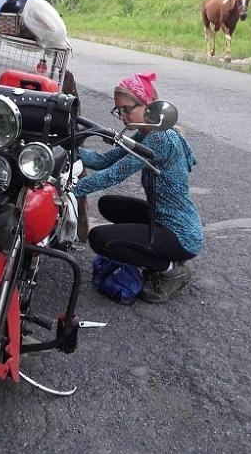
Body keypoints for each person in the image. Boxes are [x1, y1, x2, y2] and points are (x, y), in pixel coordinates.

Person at [73, 72, 203, 304]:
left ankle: (170, 267)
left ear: (148, 106)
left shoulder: (161, 139)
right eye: (118, 111)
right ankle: (156, 252)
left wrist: (69, 190)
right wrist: (71, 149)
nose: (122, 117)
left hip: (181, 235)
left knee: (100, 239)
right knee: (107, 204)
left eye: (127, 109)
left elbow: (113, 174)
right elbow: (104, 160)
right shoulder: (146, 132)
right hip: (162, 218)